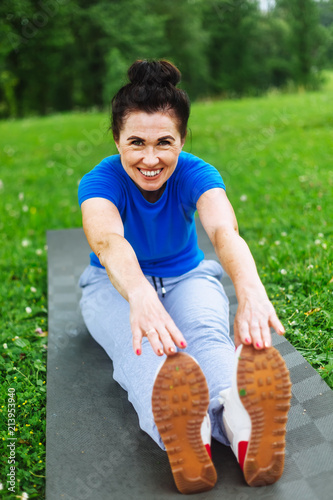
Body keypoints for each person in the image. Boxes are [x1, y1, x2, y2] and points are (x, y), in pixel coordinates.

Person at [78, 59, 291, 494]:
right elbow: (107, 243)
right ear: (117, 139)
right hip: (114, 286)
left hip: (188, 276)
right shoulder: (99, 181)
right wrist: (139, 295)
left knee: (207, 339)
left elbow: (222, 231)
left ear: (183, 140)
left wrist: (250, 289)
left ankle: (242, 424)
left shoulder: (197, 173)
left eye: (165, 143)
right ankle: (189, 437)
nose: (151, 159)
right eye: (136, 142)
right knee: (143, 353)